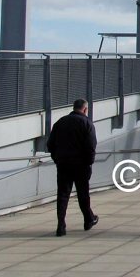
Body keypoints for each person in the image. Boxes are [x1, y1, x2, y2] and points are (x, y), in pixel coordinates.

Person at [47, 98, 99, 237]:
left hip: (63, 164)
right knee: (83, 194)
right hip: (81, 165)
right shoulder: (87, 123)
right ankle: (88, 220)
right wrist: (89, 163)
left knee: (63, 195)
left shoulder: (60, 122)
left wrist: (57, 159)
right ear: (85, 109)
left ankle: (61, 225)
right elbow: (91, 146)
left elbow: (50, 144)